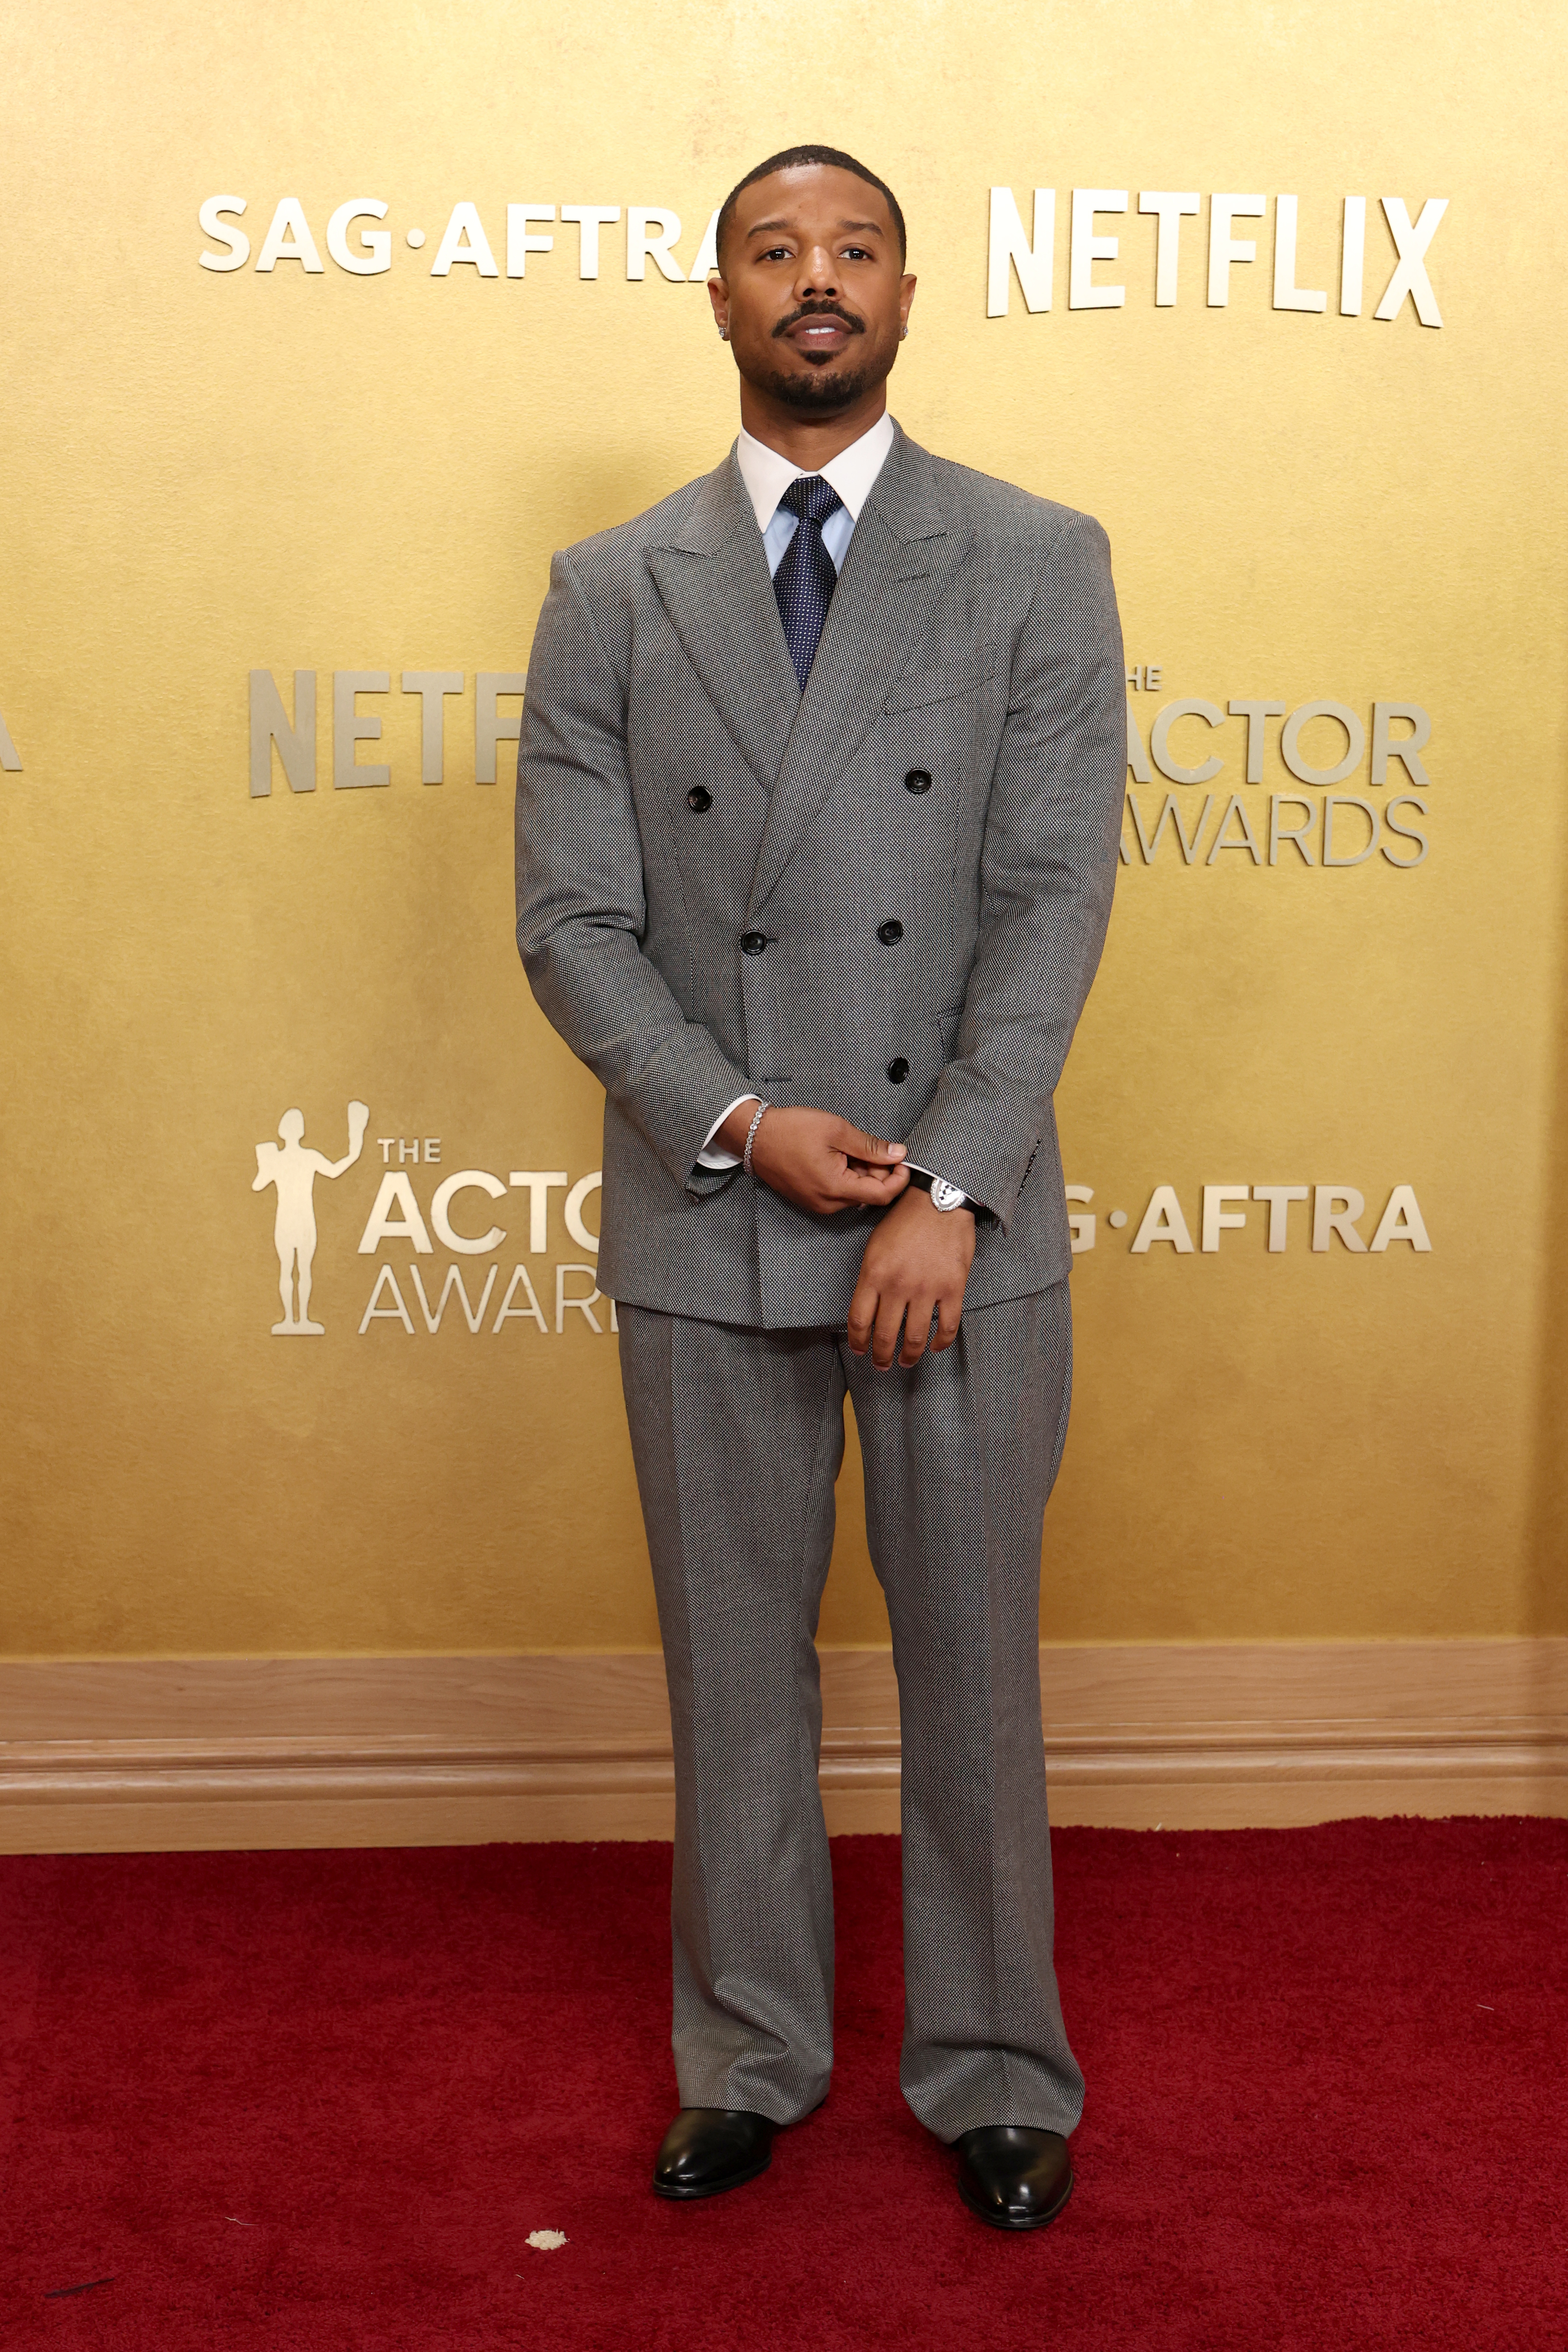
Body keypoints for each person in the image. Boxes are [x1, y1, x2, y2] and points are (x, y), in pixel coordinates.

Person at [515, 143, 1124, 2231]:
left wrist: (949, 1171)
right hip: (712, 1205)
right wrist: (739, 1115)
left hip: (956, 1213)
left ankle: (993, 2067)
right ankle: (750, 2049)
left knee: (972, 1661)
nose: (816, 282)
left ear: (909, 291)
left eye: (852, 250)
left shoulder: (1038, 557)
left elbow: (1050, 896)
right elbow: (574, 923)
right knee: (728, 1660)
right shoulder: (615, 584)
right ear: (716, 299)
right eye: (774, 252)